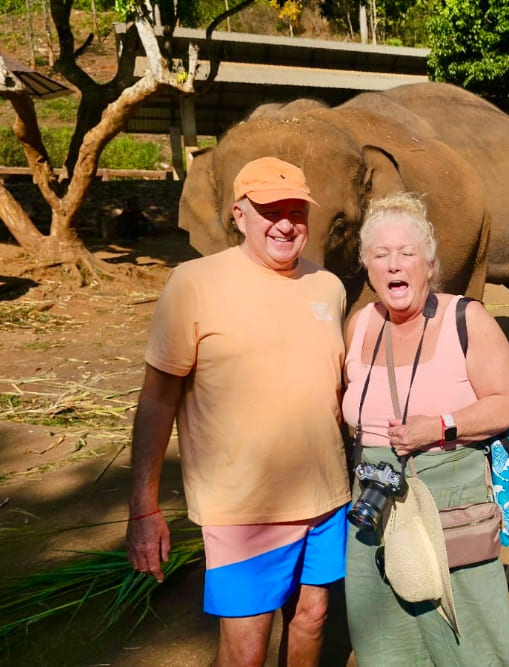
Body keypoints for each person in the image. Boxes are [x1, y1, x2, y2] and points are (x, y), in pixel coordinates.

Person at [126, 157, 350, 666]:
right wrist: (144, 508)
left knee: (313, 617)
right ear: (238, 215)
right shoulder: (194, 282)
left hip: (325, 497)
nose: (286, 223)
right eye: (270, 210)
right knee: (246, 648)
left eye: (297, 210)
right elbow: (158, 397)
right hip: (244, 507)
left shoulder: (327, 287)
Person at [342, 192, 509, 665]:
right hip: (372, 502)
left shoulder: (467, 319)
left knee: (471, 641)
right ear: (367, 265)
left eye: (406, 253)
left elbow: (507, 404)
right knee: (385, 642)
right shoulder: (360, 325)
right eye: (381, 255)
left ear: (430, 263)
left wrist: (441, 426)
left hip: (450, 498)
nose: (394, 264)